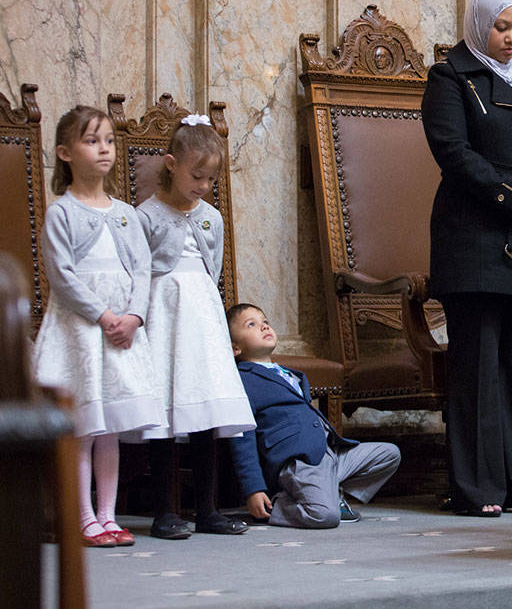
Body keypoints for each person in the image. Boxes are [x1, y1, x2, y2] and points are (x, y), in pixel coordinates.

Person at [421, 0, 512, 517]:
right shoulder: (450, 78)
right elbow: (454, 155)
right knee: (476, 371)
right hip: (474, 238)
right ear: (480, 25)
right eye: (501, 27)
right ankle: (477, 489)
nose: (511, 38)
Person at [31, 105, 164, 548]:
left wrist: (134, 316)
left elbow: (142, 270)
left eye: (108, 140)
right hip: (82, 333)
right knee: (84, 426)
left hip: (120, 333)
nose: (103, 149)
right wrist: (104, 316)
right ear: (66, 153)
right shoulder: (62, 213)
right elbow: (62, 276)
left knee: (109, 429)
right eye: (92, 141)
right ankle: (82, 515)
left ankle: (108, 516)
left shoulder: (126, 213)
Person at [136, 115, 256, 539]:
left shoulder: (212, 217)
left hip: (202, 316)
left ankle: (207, 509)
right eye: (196, 175)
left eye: (210, 178)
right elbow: (138, 270)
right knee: (168, 412)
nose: (203, 185)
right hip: (163, 315)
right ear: (171, 164)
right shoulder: (146, 215)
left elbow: (213, 269)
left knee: (205, 409)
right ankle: (165, 511)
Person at [227, 303, 401, 527]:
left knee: (389, 454)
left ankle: (333, 496)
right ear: (235, 349)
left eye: (265, 322)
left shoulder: (289, 374)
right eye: (251, 324)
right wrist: (253, 489)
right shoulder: (242, 381)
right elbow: (243, 439)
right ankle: (276, 505)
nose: (263, 327)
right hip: (300, 462)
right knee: (324, 516)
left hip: (330, 453)